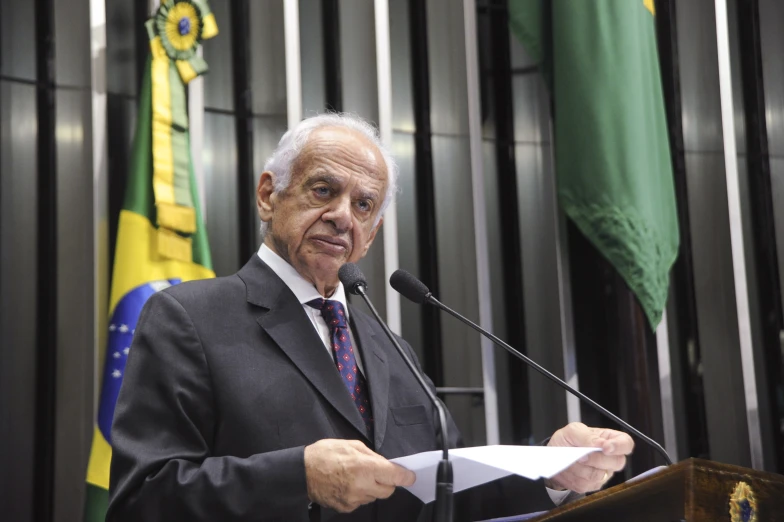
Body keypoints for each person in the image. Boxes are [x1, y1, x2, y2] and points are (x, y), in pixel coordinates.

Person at [107, 113, 633, 522]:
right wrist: (300, 477)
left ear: (372, 234)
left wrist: (549, 469)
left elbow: (444, 491)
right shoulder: (189, 317)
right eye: (323, 190)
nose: (342, 216)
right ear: (269, 195)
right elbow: (143, 499)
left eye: (364, 205)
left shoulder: (388, 348)